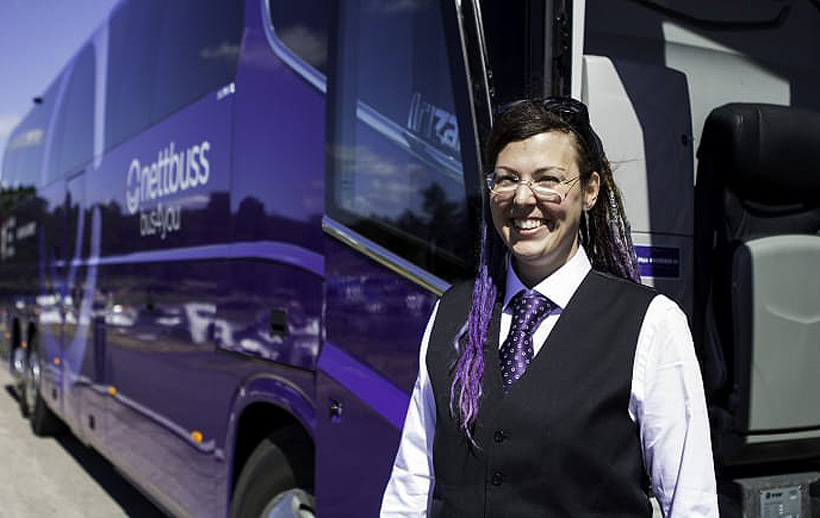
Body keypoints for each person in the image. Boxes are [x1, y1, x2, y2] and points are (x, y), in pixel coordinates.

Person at [380, 98, 717, 517]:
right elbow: (411, 483)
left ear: (590, 190)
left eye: (548, 180)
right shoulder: (452, 313)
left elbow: (690, 503)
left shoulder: (652, 324)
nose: (523, 199)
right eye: (507, 179)